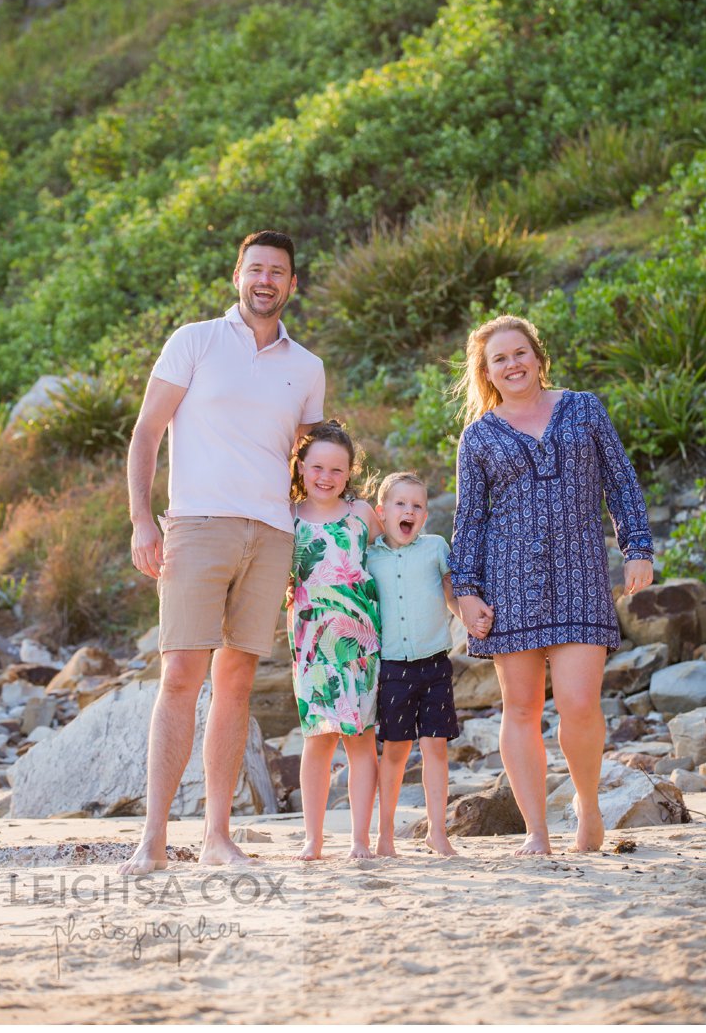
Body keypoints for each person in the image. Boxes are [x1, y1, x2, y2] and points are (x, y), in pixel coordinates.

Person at [120, 230, 326, 874]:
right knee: (181, 675)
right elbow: (147, 432)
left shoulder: (308, 367)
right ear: (238, 275)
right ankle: (151, 839)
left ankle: (217, 837)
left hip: (271, 534)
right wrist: (141, 523)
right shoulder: (195, 340)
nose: (266, 280)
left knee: (235, 683)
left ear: (293, 286)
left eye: (279, 272)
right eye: (256, 268)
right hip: (196, 525)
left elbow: (307, 461)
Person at [450, 315, 653, 856]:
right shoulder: (479, 436)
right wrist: (466, 592)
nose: (512, 364)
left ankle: (588, 808)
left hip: (581, 572)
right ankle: (537, 831)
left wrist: (637, 548)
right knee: (519, 708)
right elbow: (469, 520)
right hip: (508, 582)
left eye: (520, 353)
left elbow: (621, 479)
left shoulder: (583, 407)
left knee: (580, 702)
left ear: (539, 357)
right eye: (500, 358)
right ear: (487, 371)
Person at [288, 421, 383, 860]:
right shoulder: (287, 517)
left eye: (337, 470)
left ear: (349, 473)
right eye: (318, 467)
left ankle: (360, 839)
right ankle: (313, 837)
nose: (326, 477)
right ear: (301, 467)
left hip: (360, 644)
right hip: (310, 644)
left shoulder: (362, 514)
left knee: (360, 739)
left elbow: (391, 558)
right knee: (317, 740)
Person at [366, 472, 473, 858]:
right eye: (400, 504)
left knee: (436, 749)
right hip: (393, 668)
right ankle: (384, 836)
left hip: (435, 666)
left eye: (417, 505)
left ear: (425, 515)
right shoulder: (370, 555)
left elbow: (451, 596)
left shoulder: (435, 548)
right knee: (395, 751)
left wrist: (470, 621)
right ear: (382, 513)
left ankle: (437, 832)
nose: (409, 511)